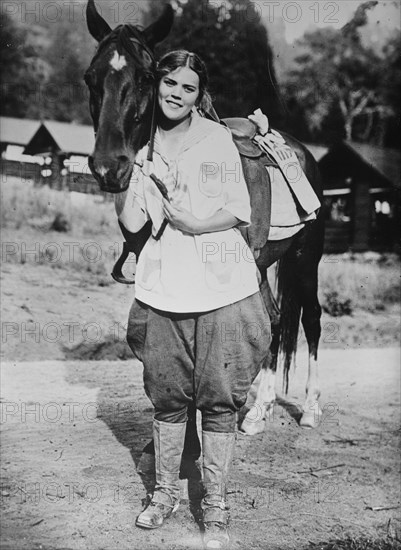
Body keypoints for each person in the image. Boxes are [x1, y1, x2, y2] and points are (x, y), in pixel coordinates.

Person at [115, 50, 271, 550]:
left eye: (186, 86)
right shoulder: (142, 143)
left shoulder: (215, 138)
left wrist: (195, 223)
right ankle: (164, 495)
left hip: (221, 280)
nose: (175, 94)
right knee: (167, 395)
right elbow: (134, 225)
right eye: (168, 83)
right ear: (155, 85)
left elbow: (237, 208)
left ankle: (216, 503)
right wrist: (126, 176)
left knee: (220, 398)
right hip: (165, 282)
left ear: (198, 92)